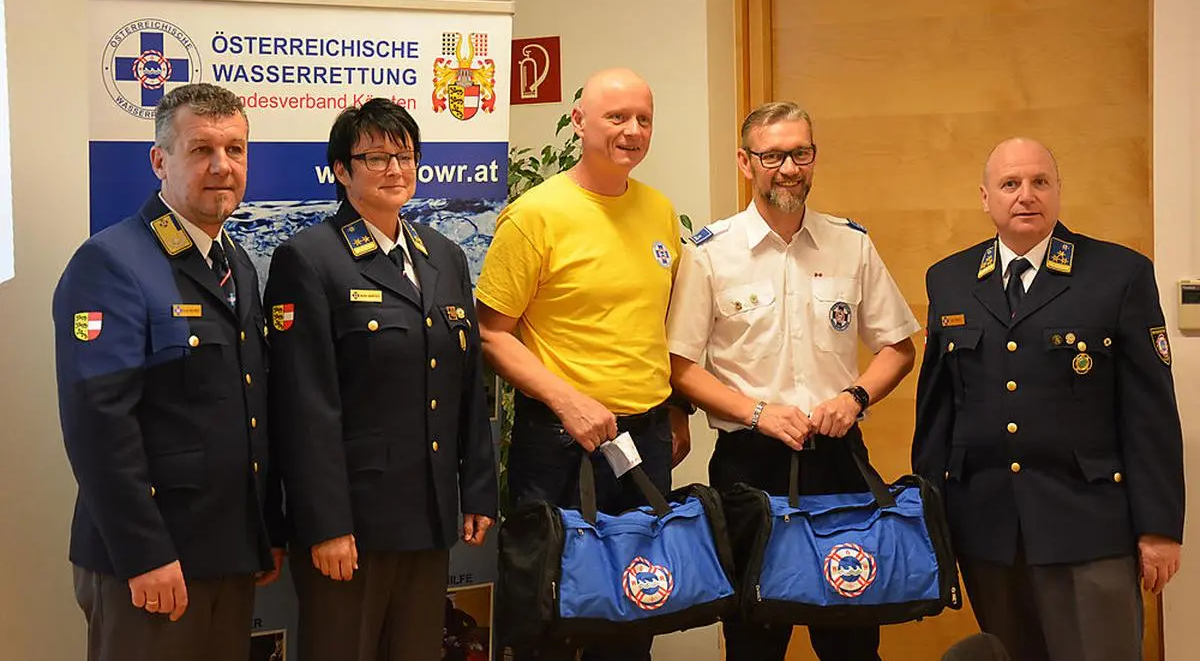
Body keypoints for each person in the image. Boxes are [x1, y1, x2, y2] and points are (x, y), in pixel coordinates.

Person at [913, 137, 1185, 661]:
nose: (1026, 195)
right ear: (985, 198)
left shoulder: (1118, 274)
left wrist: (1159, 528)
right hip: (987, 528)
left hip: (1088, 525)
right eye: (1009, 184)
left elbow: (1150, 413)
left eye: (1040, 182)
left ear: (1058, 191)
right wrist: (930, 521)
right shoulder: (949, 280)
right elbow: (937, 413)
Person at [667, 101, 920, 661]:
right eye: (773, 156)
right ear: (745, 162)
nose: (788, 168)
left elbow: (899, 347)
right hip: (750, 468)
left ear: (813, 157)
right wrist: (757, 413)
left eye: (800, 154)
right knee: (755, 641)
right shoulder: (710, 253)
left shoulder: (850, 243)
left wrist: (855, 397)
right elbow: (680, 366)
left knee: (852, 637)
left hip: (838, 461)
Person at [53, 82, 284, 661]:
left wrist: (263, 532)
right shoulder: (112, 262)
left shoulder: (237, 265)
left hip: (228, 553)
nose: (222, 166)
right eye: (201, 149)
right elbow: (99, 426)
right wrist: (145, 554)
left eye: (235, 149)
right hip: (153, 562)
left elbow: (248, 408)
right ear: (160, 161)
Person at [264, 98, 497, 661]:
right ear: (342, 171)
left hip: (429, 514)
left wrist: (477, 489)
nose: (395, 169)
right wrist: (326, 524)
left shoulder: (443, 255)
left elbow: (467, 385)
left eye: (405, 156)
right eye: (375, 157)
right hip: (353, 523)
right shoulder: (309, 258)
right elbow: (304, 406)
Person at [476, 67, 689, 661]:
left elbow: (659, 326)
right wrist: (569, 402)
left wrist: (676, 410)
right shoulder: (535, 214)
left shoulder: (660, 211)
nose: (632, 131)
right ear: (578, 121)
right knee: (551, 620)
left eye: (643, 119)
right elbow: (491, 333)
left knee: (633, 617)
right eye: (616, 117)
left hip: (645, 441)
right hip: (561, 445)